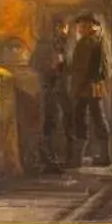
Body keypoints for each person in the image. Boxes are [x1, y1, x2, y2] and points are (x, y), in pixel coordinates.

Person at [67, 12, 111, 167]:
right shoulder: (98, 40)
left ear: (93, 27)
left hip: (85, 87)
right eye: (80, 26)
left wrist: (76, 89)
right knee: (96, 118)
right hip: (94, 86)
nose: (80, 29)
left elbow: (81, 70)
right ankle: (103, 156)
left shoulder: (87, 42)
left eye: (84, 26)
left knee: (81, 119)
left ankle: (77, 159)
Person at [29, 17, 69, 172]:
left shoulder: (61, 44)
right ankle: (46, 161)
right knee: (47, 123)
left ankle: (51, 160)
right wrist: (51, 68)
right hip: (46, 88)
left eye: (65, 28)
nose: (65, 31)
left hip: (57, 89)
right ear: (56, 28)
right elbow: (35, 63)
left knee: (54, 123)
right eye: (62, 28)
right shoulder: (45, 45)